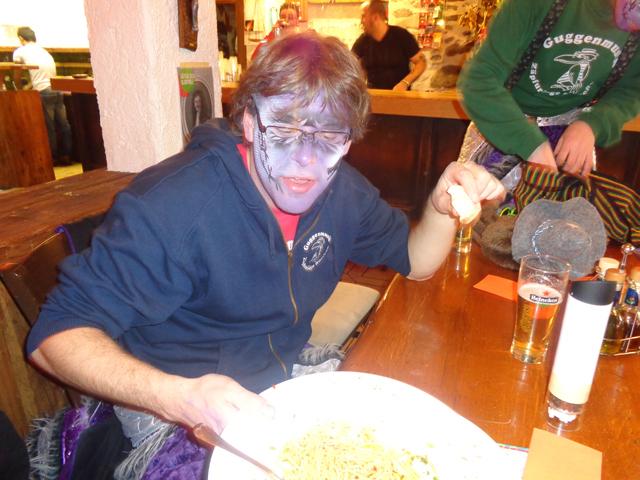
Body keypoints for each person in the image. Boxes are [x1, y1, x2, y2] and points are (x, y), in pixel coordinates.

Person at [26, 31, 504, 478]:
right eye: (284, 130)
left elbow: (416, 262)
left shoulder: (345, 193)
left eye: (329, 136)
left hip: (277, 383)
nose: (305, 160)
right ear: (251, 122)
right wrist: (179, 396)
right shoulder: (173, 206)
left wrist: (441, 206)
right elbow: (53, 338)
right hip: (172, 408)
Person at [457, 0, 640, 180]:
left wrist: (592, 124)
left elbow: (630, 92)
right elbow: (478, 80)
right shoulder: (535, 4)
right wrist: (530, 144)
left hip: (572, 137)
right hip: (505, 123)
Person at [13, 26, 73, 166]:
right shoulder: (43, 51)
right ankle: (67, 155)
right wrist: (30, 86)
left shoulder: (20, 51)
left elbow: (17, 73)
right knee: (64, 124)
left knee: (49, 127)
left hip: (43, 91)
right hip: (56, 88)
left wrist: (19, 89)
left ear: (21, 38)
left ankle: (53, 159)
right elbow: (43, 75)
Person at [352, 0, 426, 91]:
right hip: (375, 95)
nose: (361, 21)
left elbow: (421, 63)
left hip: (399, 95)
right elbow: (349, 64)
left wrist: (405, 83)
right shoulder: (363, 40)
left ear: (375, 17)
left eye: (363, 16)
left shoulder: (401, 35)